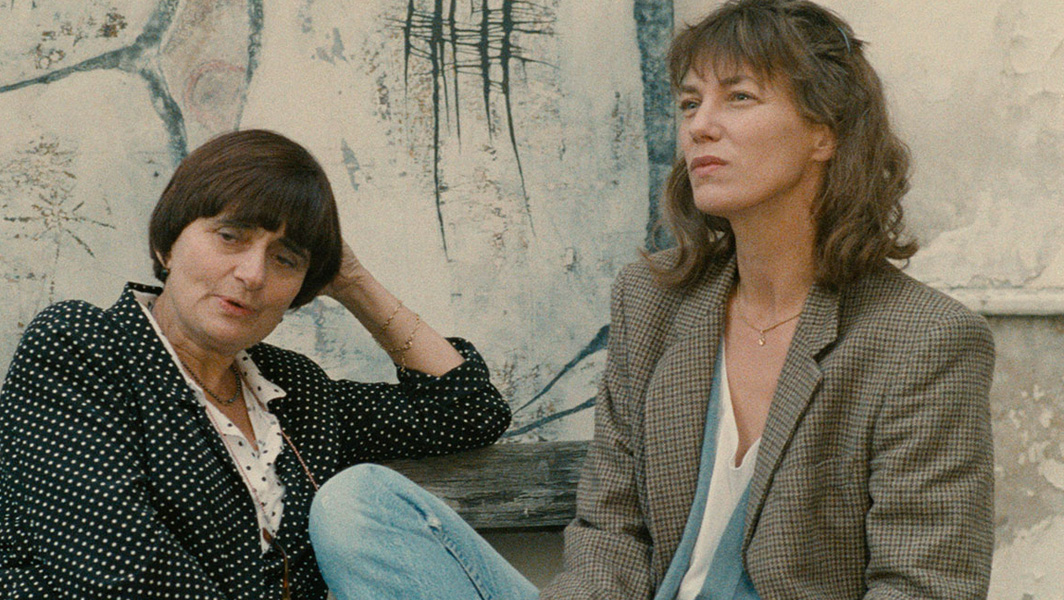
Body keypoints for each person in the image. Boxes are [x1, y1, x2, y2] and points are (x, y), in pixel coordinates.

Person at [307, 1, 996, 599]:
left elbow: (923, 585)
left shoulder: (924, 340)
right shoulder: (654, 301)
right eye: (690, 103)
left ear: (827, 132)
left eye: (739, 97)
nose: (699, 126)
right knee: (358, 506)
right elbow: (612, 532)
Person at [0, 129, 512, 600]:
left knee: (360, 496)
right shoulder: (83, 347)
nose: (253, 274)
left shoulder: (294, 392)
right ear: (167, 244)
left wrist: (352, 281)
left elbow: (466, 410)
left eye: (285, 259)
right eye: (231, 236)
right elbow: (120, 576)